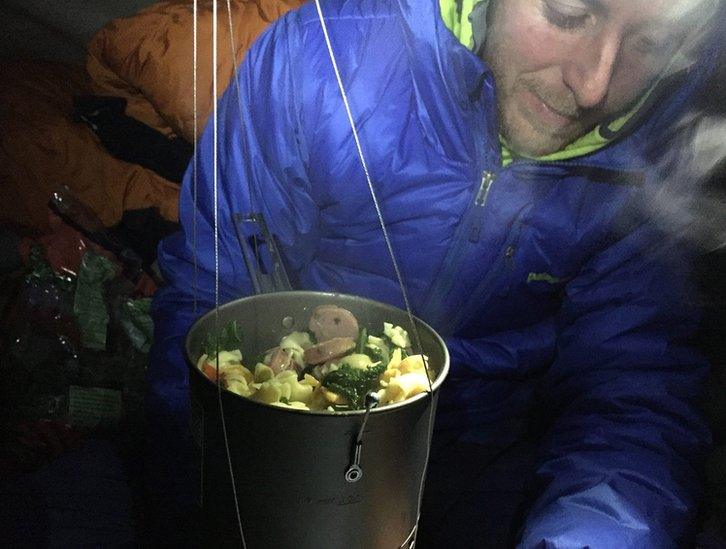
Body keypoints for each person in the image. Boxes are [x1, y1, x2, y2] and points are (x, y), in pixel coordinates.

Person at [149, 0, 724, 546]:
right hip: (284, 438)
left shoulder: (658, 169)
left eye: (649, 44)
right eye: (567, 14)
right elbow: (213, 293)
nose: (593, 87)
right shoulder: (322, 59)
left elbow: (634, 396)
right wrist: (213, 487)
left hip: (485, 452)